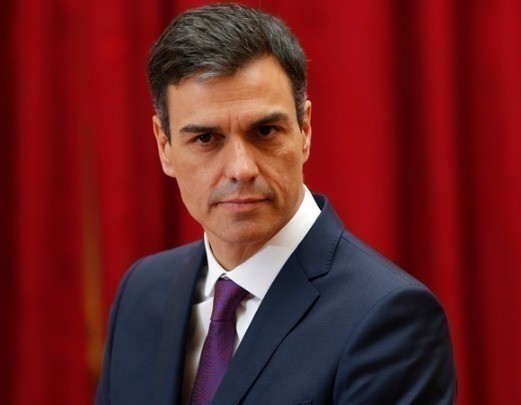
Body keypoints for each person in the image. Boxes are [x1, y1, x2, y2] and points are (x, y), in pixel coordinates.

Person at [96, 3, 456, 404]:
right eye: (205, 139)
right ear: (164, 146)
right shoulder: (141, 291)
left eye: (265, 131)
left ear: (305, 130)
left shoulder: (389, 318)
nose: (241, 169)